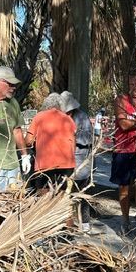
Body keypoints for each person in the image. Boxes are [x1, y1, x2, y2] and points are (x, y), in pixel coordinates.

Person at [110, 68, 136, 233]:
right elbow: (124, 125)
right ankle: (125, 219)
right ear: (128, 84)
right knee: (124, 186)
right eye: (131, 83)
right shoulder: (121, 100)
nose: (134, 86)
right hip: (123, 149)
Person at [25, 93, 76, 194]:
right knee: (61, 193)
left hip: (45, 163)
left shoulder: (39, 117)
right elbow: (73, 144)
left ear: (46, 105)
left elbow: (28, 140)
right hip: (66, 164)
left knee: (43, 192)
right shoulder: (68, 119)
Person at [61, 90, 93, 233]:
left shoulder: (82, 117)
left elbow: (87, 139)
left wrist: (72, 136)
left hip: (81, 158)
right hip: (63, 159)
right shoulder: (60, 117)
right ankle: (65, 220)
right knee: (65, 192)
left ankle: (85, 222)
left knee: (82, 191)